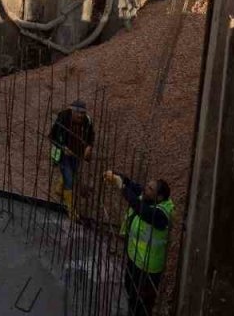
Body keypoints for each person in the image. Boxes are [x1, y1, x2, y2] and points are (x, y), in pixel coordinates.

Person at [104, 171, 173, 316]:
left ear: (159, 197)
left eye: (150, 188)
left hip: (148, 269)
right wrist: (116, 175)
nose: (145, 189)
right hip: (134, 259)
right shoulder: (149, 197)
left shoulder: (161, 215)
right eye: (148, 186)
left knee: (142, 303)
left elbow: (140, 208)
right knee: (131, 291)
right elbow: (132, 184)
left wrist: (121, 187)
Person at [48, 99, 94, 218]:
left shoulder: (87, 121)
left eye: (82, 113)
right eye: (77, 112)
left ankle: (59, 188)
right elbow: (52, 137)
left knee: (73, 172)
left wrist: (89, 147)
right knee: (70, 180)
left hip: (78, 153)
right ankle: (71, 210)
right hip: (64, 154)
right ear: (72, 111)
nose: (80, 115)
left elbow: (91, 136)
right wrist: (63, 147)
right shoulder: (62, 119)